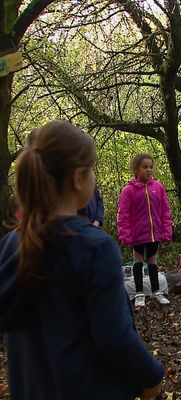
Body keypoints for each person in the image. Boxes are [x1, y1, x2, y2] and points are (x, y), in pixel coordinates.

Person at [0, 120, 163, 400]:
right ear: (78, 178)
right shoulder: (94, 248)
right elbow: (115, 337)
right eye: (92, 169)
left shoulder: (11, 243)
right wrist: (151, 376)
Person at [117, 153, 172, 307]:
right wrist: (125, 234)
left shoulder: (158, 187)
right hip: (138, 234)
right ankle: (139, 293)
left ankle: (157, 291)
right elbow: (123, 214)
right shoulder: (129, 190)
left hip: (154, 233)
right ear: (136, 169)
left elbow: (165, 211)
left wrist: (166, 231)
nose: (149, 170)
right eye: (145, 167)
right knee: (138, 261)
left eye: (150, 167)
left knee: (153, 261)